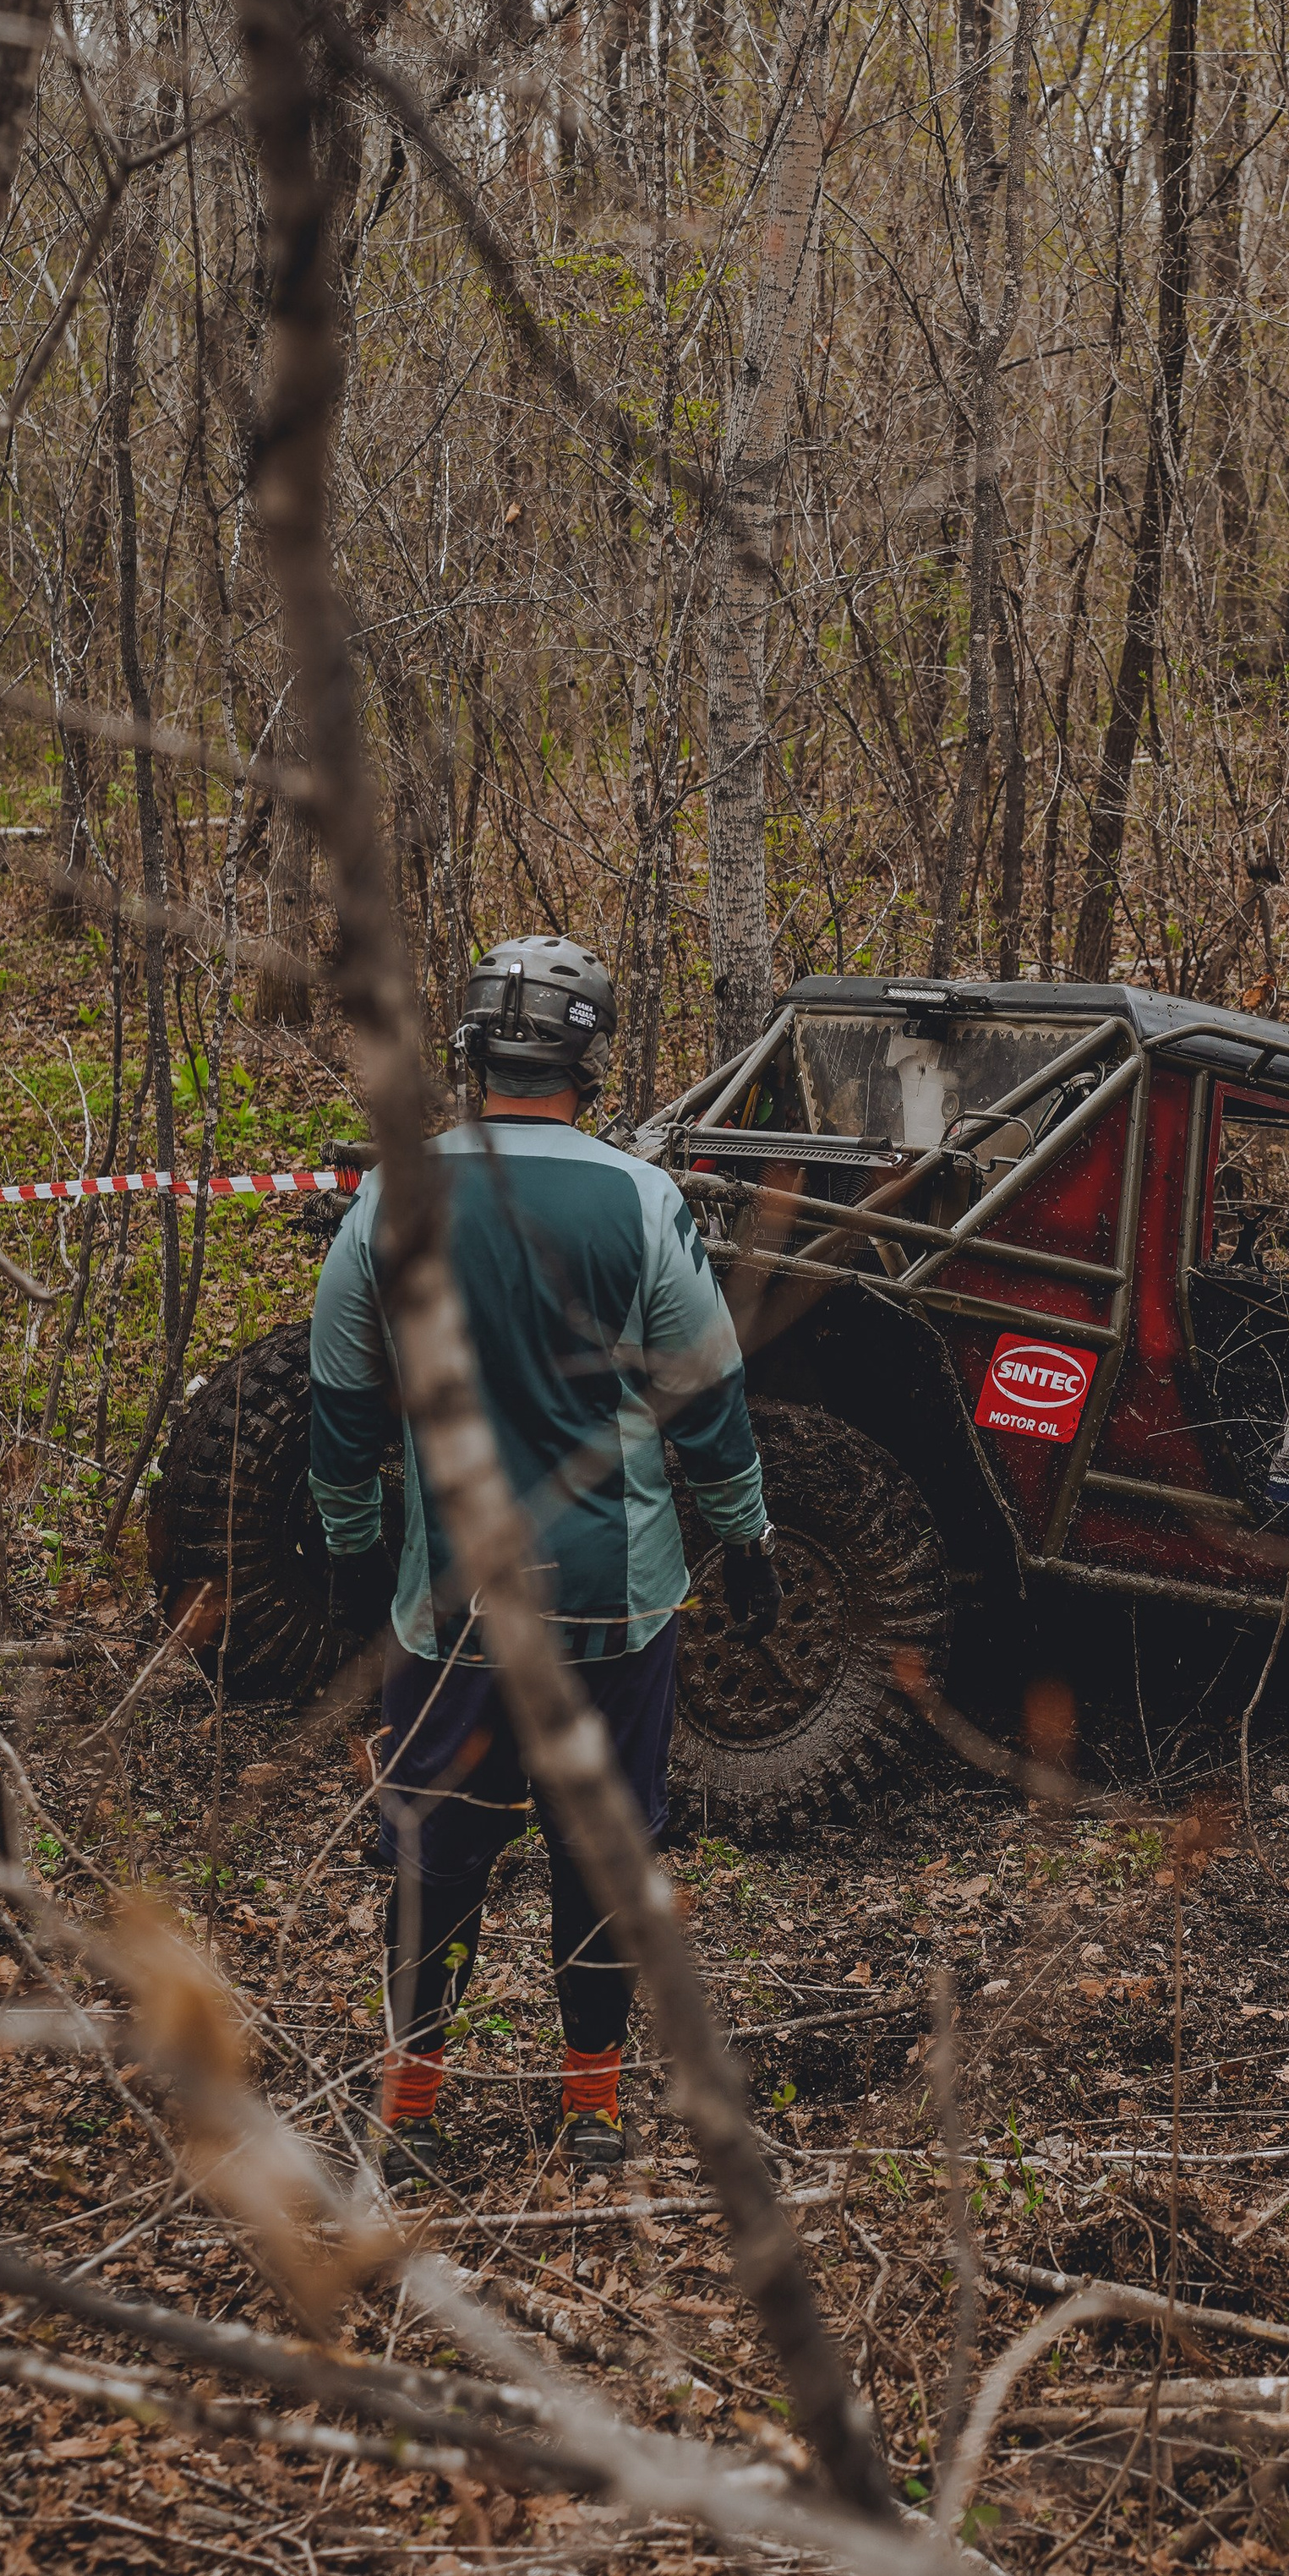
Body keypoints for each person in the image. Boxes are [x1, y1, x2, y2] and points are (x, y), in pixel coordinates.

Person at [308, 935, 780, 2186]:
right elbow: (709, 1392)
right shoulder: (639, 1198)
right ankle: (591, 2114)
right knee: (604, 1847)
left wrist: (358, 1551)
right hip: (614, 1599)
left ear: (471, 1057)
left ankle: (409, 2116)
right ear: (590, 1061)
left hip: (448, 1600)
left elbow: (344, 1398)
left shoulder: (388, 1200)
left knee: (439, 1850)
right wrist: (745, 1535)